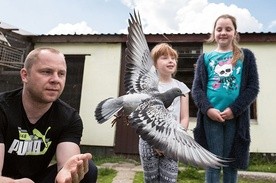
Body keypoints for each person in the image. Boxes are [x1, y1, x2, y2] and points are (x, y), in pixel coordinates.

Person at [0, 47, 98, 183]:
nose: (55, 80)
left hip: (38, 180)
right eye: (47, 72)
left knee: (85, 169)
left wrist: (66, 175)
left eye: (61, 74)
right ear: (25, 75)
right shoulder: (3, 108)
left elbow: (67, 164)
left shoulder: (69, 118)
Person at [192, 14, 259, 183]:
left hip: (235, 118)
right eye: (219, 29)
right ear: (213, 33)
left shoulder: (246, 56)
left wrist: (233, 110)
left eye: (228, 29)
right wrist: (208, 110)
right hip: (211, 118)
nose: (223, 32)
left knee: (231, 163)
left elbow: (252, 87)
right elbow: (197, 89)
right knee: (213, 163)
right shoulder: (205, 58)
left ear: (235, 33)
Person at [139, 43, 190, 182]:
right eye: (165, 57)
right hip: (149, 141)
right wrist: (156, 142)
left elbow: (184, 118)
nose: (171, 60)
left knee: (169, 179)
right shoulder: (148, 87)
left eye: (173, 58)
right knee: (151, 179)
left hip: (173, 142)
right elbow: (143, 117)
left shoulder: (182, 88)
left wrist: (174, 140)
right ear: (154, 64)